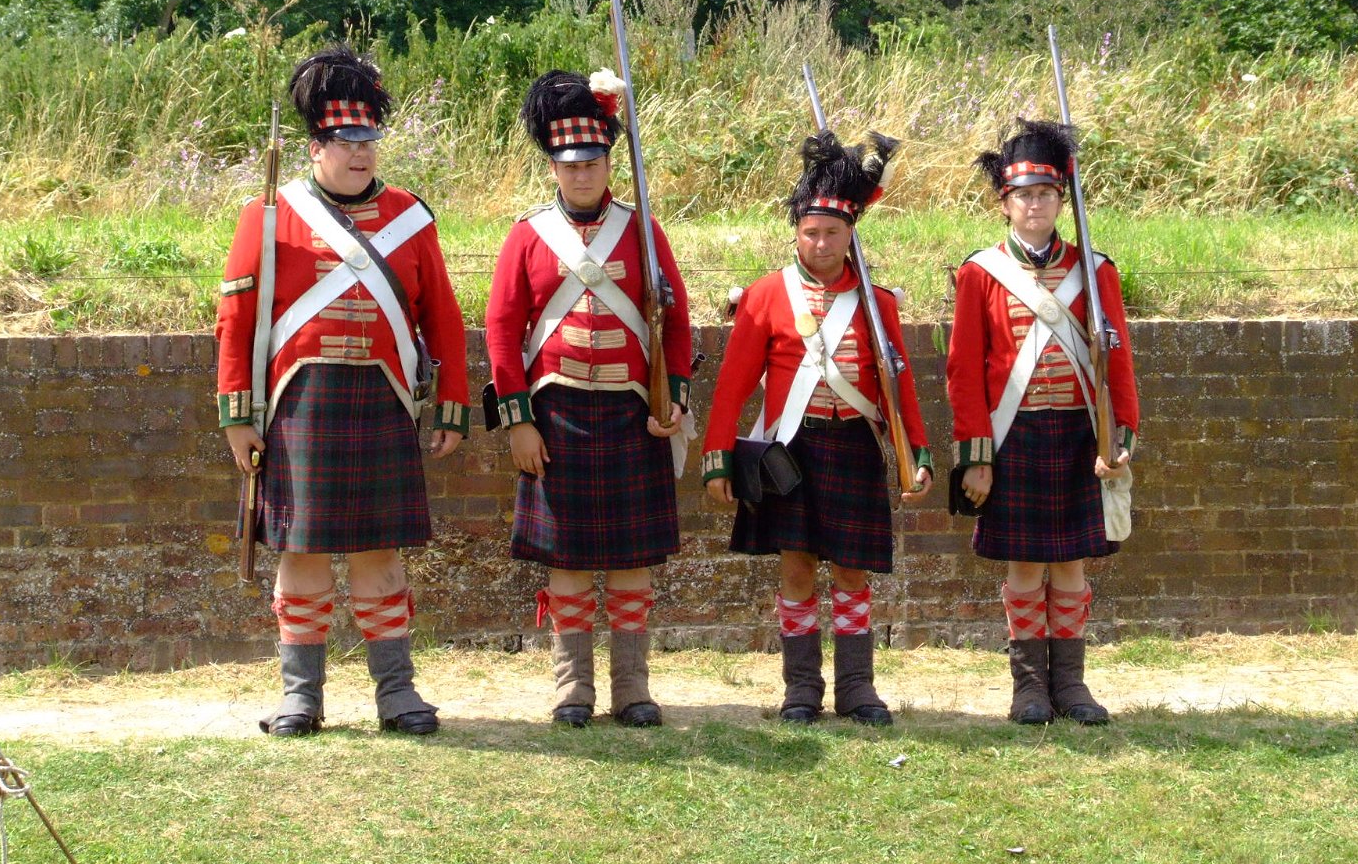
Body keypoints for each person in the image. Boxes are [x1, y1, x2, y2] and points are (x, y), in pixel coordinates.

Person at [215, 46, 470, 737]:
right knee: (300, 555)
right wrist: (238, 414)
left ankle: (397, 694)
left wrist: (451, 405)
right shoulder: (268, 214)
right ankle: (302, 697)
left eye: (369, 139)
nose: (360, 154)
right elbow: (236, 318)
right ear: (315, 145)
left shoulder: (412, 217)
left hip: (383, 400)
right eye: (344, 141)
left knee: (379, 555)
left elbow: (441, 316)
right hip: (302, 403)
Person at [702, 131, 932, 726]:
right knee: (797, 566)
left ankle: (858, 689)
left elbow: (898, 384)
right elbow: (730, 386)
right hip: (790, 446)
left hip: (853, 441)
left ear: (850, 233)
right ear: (796, 233)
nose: (822, 242)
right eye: (811, 232)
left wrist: (919, 451)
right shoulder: (765, 294)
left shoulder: (876, 302)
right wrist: (717, 457)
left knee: (852, 568)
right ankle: (801, 689)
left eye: (832, 232)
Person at [485, 69, 692, 728]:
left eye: (595, 161)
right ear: (553, 164)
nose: (583, 174)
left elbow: (677, 319)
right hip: (558, 414)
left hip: (631, 412)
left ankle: (633, 689)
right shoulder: (527, 235)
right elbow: (500, 329)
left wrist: (674, 398)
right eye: (570, 164)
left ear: (609, 160)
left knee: (633, 563)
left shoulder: (643, 230)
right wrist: (518, 420)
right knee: (567, 563)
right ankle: (573, 690)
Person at [945, 119, 1139, 725]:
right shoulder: (980, 272)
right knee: (1025, 563)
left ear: (1062, 199)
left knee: (1072, 563)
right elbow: (964, 371)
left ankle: (1072, 686)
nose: (1036, 205)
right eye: (1024, 196)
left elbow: (1121, 360)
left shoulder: (1096, 270)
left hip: (1081, 433)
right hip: (1016, 433)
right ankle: (1029, 687)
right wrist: (976, 455)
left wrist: (1120, 436)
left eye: (1047, 195)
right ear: (1004, 203)